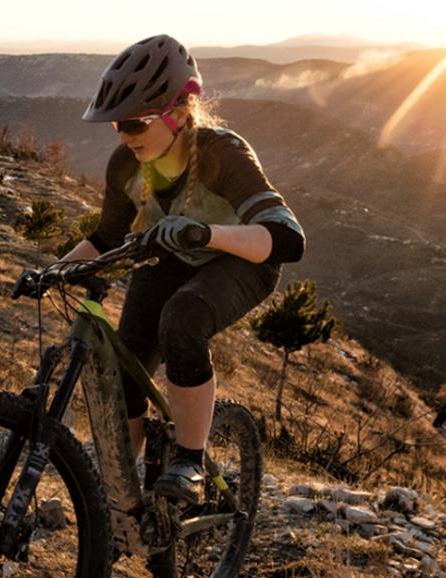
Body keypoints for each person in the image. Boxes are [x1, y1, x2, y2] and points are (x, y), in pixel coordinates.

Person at [53, 34, 305, 503]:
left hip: (243, 261)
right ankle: (116, 496)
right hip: (169, 257)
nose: (125, 137)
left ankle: (190, 460)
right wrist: (52, 272)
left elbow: (288, 239)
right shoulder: (125, 166)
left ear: (179, 112)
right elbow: (106, 238)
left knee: (182, 318)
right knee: (125, 372)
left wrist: (206, 233)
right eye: (117, 128)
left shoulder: (222, 154)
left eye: (134, 124)